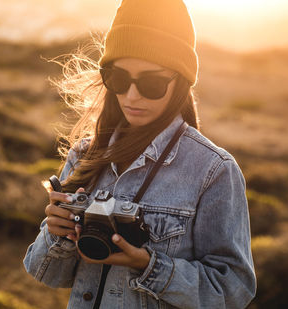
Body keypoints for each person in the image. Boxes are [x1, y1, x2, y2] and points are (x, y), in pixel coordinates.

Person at [23, 0, 256, 308]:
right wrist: (57, 234)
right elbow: (49, 275)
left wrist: (148, 265)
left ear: (181, 82)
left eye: (152, 83)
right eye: (118, 79)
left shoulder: (213, 170)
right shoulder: (85, 156)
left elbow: (234, 289)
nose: (131, 96)